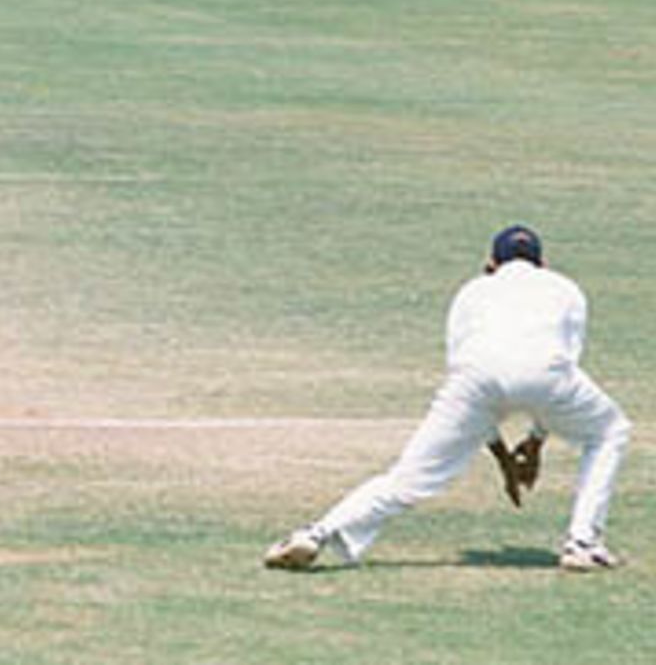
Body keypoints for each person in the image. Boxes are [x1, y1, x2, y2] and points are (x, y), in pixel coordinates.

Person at [264, 225, 631, 573]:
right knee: (609, 432)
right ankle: (582, 544)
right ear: (543, 264)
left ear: (491, 265)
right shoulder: (565, 289)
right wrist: (535, 441)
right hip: (546, 375)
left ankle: (315, 534)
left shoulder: (472, 291)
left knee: (405, 479)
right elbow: (563, 366)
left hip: (474, 380)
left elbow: (467, 371)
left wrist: (503, 455)